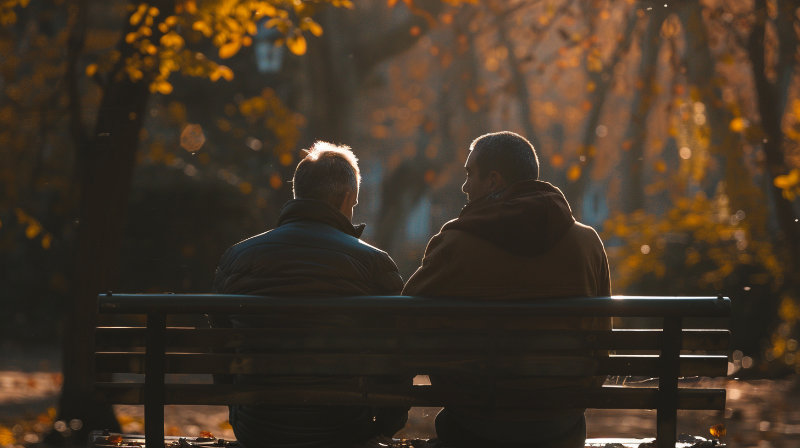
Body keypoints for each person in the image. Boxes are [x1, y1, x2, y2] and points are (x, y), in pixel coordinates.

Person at [403, 131, 611, 448]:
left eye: (470, 173)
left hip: (475, 420)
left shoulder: (457, 243)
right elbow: (601, 341)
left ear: (494, 180)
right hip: (560, 422)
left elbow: (404, 319)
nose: (464, 185)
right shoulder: (588, 244)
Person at [212, 141, 408, 448]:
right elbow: (399, 354)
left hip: (257, 427)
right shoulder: (374, 263)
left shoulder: (238, 257)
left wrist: (240, 411)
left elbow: (221, 352)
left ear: (298, 193)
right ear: (347, 197)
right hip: (344, 427)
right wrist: (384, 427)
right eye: (353, 204)